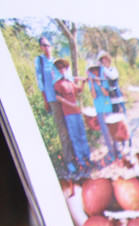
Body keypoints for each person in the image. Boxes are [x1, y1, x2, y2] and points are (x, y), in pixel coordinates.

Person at [34, 37, 74, 175]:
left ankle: (76, 157)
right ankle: (68, 161)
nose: (47, 47)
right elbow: (40, 81)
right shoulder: (39, 61)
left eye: (48, 45)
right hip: (52, 100)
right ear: (40, 47)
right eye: (44, 45)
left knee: (70, 126)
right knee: (62, 129)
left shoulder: (56, 62)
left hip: (64, 99)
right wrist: (45, 100)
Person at [53, 58, 92, 177]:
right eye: (60, 68)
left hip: (77, 112)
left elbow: (79, 90)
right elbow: (59, 98)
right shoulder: (58, 84)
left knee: (82, 135)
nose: (62, 70)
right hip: (69, 113)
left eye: (63, 67)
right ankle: (81, 162)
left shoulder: (70, 82)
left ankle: (88, 158)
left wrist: (84, 82)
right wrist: (71, 105)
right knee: (75, 137)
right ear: (58, 70)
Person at [86, 64, 118, 164]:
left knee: (112, 130)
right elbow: (94, 96)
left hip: (107, 108)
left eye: (96, 69)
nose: (94, 72)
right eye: (92, 70)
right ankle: (111, 152)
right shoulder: (91, 82)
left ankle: (117, 150)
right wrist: (91, 82)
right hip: (99, 109)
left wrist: (99, 83)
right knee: (105, 132)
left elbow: (106, 93)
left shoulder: (103, 80)